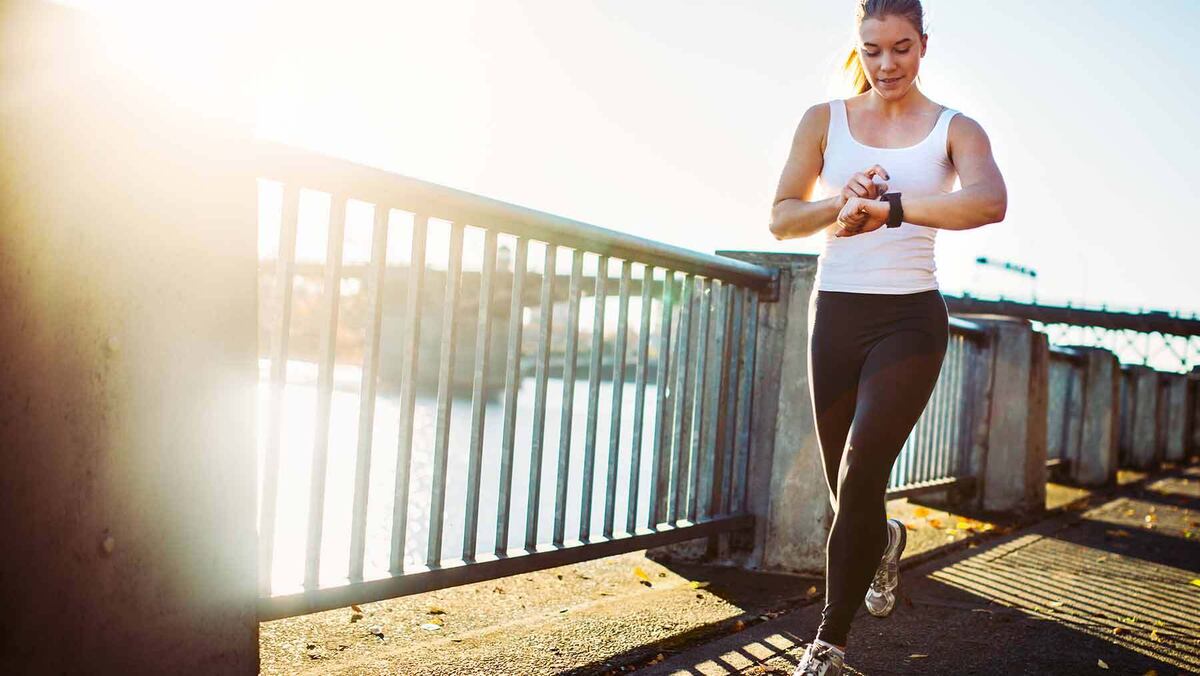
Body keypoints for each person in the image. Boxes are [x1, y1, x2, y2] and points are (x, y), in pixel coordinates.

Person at [767, 1, 1007, 674]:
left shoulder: (954, 129)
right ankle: (886, 539)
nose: (886, 64)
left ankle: (827, 648)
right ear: (859, 47)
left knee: (861, 465)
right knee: (851, 495)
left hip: (909, 318)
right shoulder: (824, 121)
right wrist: (841, 205)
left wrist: (891, 208)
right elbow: (782, 219)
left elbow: (989, 201)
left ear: (924, 45)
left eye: (901, 48)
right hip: (836, 313)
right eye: (872, 50)